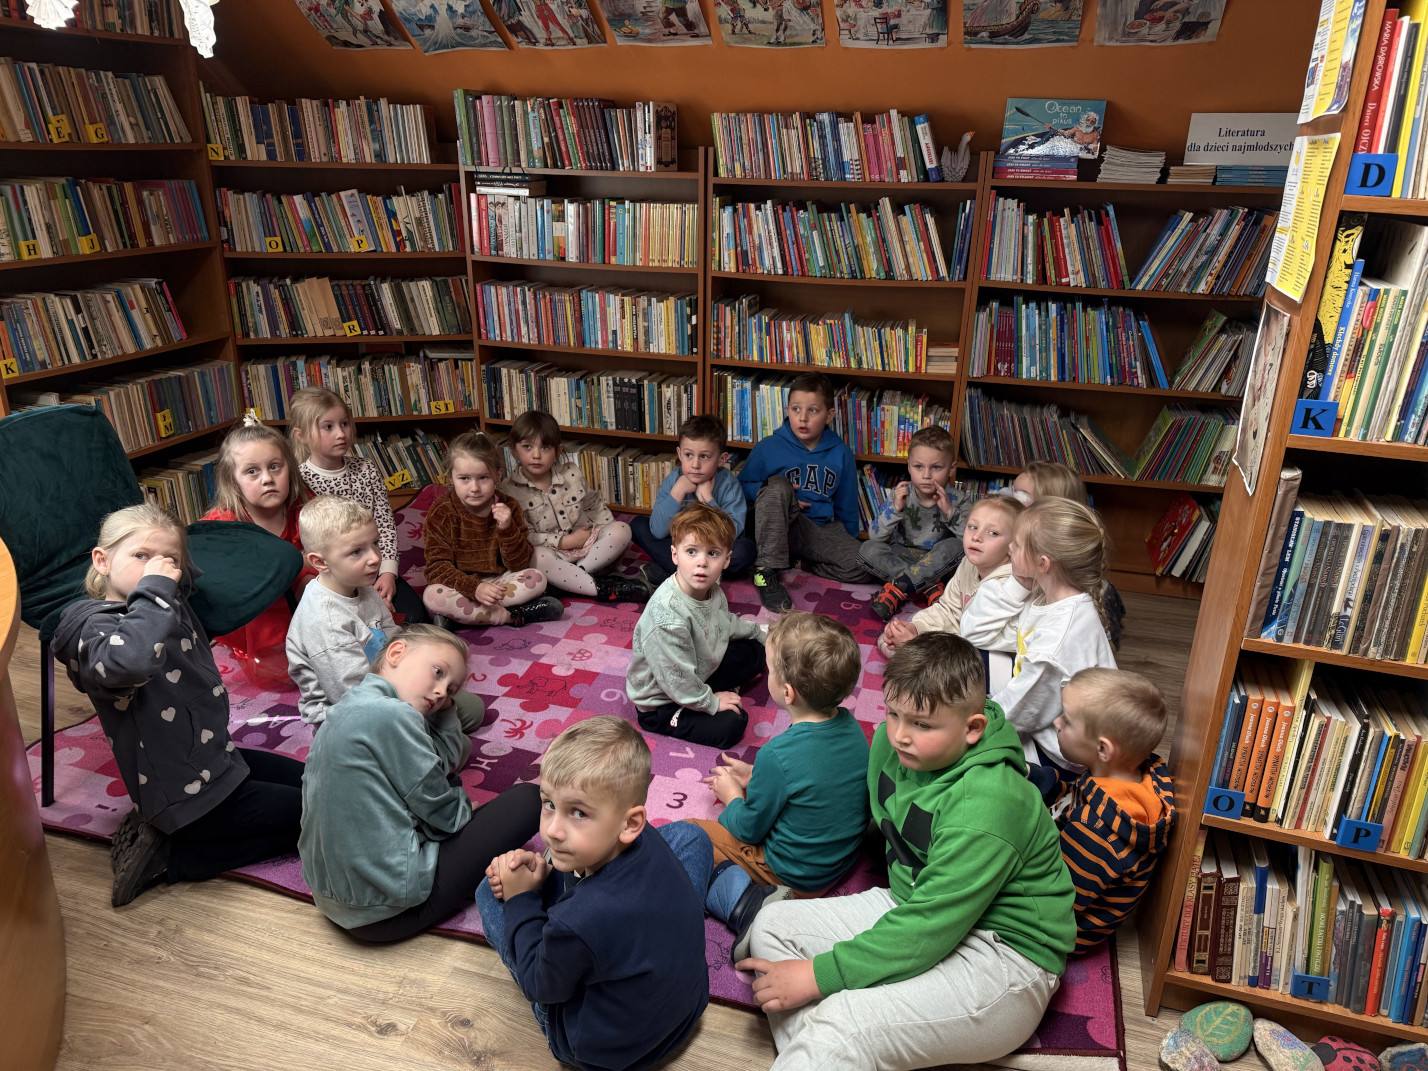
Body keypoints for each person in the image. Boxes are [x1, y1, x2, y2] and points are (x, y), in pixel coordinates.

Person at [738, 632, 1075, 1071]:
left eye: (922, 725)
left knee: (843, 1023)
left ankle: (837, 1044)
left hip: (1004, 959)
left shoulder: (989, 803)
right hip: (913, 903)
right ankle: (833, 1051)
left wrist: (820, 976)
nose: (900, 736)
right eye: (893, 713)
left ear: (973, 729)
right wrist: (766, 783)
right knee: (772, 926)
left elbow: (930, 926)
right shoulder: (890, 744)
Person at [54, 504, 306, 907]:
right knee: (318, 818)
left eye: (168, 560)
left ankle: (170, 832)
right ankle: (174, 857)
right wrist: (155, 588)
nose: (156, 568)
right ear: (102, 561)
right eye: (141, 555)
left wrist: (172, 572)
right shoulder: (92, 627)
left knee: (316, 783)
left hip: (215, 759)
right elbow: (129, 662)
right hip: (186, 794)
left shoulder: (166, 602)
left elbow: (197, 580)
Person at [476, 716, 709, 1071]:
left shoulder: (577, 921)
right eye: (548, 803)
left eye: (578, 812)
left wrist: (521, 898)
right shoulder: (644, 836)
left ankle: (536, 882)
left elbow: (540, 985)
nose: (552, 831)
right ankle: (559, 863)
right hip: (687, 1008)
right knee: (692, 836)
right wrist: (552, 868)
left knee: (487, 892)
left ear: (630, 823)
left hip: (603, 1053)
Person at [299, 625, 542, 943]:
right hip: (386, 913)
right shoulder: (394, 716)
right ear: (396, 652)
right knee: (529, 799)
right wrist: (463, 807)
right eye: (437, 672)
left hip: (329, 899)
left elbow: (442, 762)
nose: (441, 692)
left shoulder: (345, 707)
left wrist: (446, 708)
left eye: (451, 690)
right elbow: (447, 817)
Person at [659, 611, 869, 959]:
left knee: (688, 836)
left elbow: (747, 829)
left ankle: (748, 904)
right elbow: (814, 778)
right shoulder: (853, 729)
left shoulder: (777, 754)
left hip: (790, 875)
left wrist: (733, 797)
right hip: (834, 866)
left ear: (787, 692)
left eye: (770, 669)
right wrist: (759, 776)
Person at [960, 498, 1119, 779]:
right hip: (1038, 712)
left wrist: (965, 726)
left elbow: (1018, 711)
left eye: (1017, 544)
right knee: (971, 655)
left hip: (1057, 754)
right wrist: (1016, 584)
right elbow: (975, 634)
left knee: (962, 756)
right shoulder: (1049, 595)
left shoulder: (1057, 640)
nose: (1010, 548)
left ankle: (1042, 783)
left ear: (1043, 563)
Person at [1045, 668, 1176, 949]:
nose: (1056, 722)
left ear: (1103, 750)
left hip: (1064, 930)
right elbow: (1075, 797)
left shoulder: (1094, 833)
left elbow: (1055, 904)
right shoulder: (1131, 774)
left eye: (1066, 719)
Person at [627, 502, 766, 749]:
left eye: (712, 553)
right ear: (675, 555)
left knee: (757, 650)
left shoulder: (712, 588)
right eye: (691, 551)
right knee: (732, 723)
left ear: (726, 559)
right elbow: (676, 679)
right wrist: (711, 702)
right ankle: (692, 706)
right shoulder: (667, 617)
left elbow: (724, 623)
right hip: (664, 699)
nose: (702, 562)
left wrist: (760, 633)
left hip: (697, 668)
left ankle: (714, 688)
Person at [288, 385, 428, 624]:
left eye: (344, 423)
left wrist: (388, 573)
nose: (341, 433)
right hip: (334, 576)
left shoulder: (366, 469)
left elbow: (385, 525)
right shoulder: (299, 481)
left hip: (374, 565)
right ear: (302, 435)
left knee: (415, 618)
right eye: (328, 427)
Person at [740, 371, 867, 613]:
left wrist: (846, 543)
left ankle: (800, 563)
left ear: (829, 415)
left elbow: (847, 507)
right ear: (787, 410)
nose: (803, 418)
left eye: (813, 410)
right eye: (796, 409)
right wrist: (780, 496)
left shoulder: (841, 453)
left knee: (866, 564)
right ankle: (766, 572)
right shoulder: (768, 447)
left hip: (815, 532)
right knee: (777, 485)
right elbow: (741, 487)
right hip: (776, 529)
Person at [201, 415, 314, 687]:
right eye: (252, 471)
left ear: (290, 469)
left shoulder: (303, 509)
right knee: (283, 673)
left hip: (303, 597)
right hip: (259, 611)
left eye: (275, 467)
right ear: (233, 481)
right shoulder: (223, 525)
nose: (267, 479)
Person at [500, 410, 649, 603]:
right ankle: (597, 587)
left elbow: (594, 505)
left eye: (545, 447)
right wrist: (565, 542)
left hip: (588, 546)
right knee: (536, 556)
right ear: (514, 450)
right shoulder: (508, 491)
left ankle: (570, 579)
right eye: (527, 447)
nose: (536, 455)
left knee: (622, 529)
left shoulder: (571, 473)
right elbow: (526, 536)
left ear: (558, 451)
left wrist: (609, 536)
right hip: (553, 552)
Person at [421, 430, 564, 630]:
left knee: (537, 578)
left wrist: (507, 529)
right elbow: (436, 568)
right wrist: (474, 588)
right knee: (432, 595)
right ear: (451, 477)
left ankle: (461, 617)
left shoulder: (509, 506)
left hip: (500, 582)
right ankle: (512, 616)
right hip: (460, 586)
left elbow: (519, 564)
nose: (474, 488)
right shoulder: (442, 511)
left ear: (498, 475)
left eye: (483, 478)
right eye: (464, 478)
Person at [879, 494, 1022, 657]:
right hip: (960, 639)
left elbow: (981, 640)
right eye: (973, 527)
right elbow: (949, 609)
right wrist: (916, 628)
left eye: (993, 532)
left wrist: (921, 645)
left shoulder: (1011, 584)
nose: (976, 537)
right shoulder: (968, 564)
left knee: (909, 652)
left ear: (1014, 545)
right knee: (890, 638)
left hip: (993, 656)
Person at [1006, 461, 1124, 648]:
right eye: (1013, 492)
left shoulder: (1076, 596)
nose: (1010, 500)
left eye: (1022, 496)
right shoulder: (1017, 553)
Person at [859, 425, 970, 621]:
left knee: (958, 545)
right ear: (909, 466)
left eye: (936, 467)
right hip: (903, 555)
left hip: (938, 562)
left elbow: (971, 540)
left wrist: (949, 512)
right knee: (867, 548)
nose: (926, 475)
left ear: (952, 468)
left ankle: (897, 588)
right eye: (919, 467)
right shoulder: (900, 494)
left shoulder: (959, 500)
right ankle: (929, 587)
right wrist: (895, 509)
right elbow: (876, 536)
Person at [631, 414, 755, 588]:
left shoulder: (729, 484)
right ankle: (704, 576)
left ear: (721, 459)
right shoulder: (674, 481)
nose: (695, 464)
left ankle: (673, 573)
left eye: (704, 456)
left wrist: (707, 499)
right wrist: (677, 492)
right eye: (689, 455)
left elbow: (732, 534)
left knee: (746, 550)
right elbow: (658, 531)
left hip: (712, 550)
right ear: (679, 454)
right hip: (682, 546)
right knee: (638, 525)